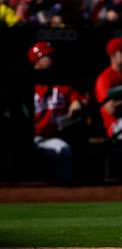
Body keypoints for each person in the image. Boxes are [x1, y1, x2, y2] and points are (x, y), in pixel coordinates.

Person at [30, 41, 85, 182]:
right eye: (47, 55)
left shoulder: (61, 86)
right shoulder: (26, 85)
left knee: (63, 149)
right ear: (37, 58)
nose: (51, 58)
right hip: (28, 138)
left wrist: (76, 102)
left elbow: (78, 99)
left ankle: (61, 194)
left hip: (50, 137)